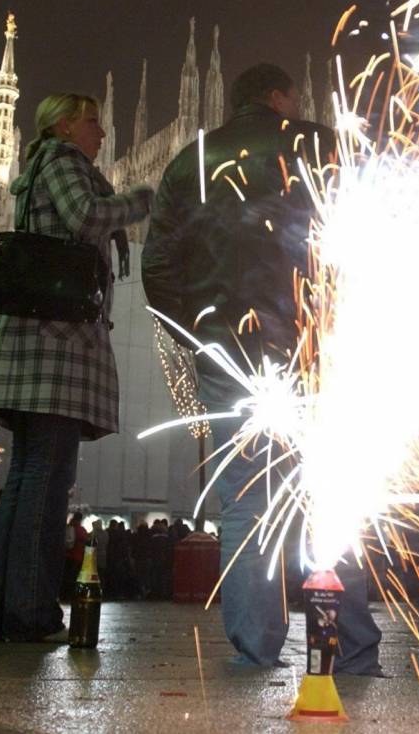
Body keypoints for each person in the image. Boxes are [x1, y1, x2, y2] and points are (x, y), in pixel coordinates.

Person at [143, 64, 382, 674]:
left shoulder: (189, 162)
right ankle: (351, 649)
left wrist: (200, 333)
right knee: (331, 493)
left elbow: (158, 268)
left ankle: (256, 647)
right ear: (280, 99)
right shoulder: (317, 144)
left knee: (248, 502)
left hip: (227, 350)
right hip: (311, 345)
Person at [0, 92, 153, 643]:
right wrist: (141, 200)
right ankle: (30, 612)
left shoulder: (40, 169)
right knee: (47, 486)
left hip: (32, 351)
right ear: (66, 126)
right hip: (54, 353)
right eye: (94, 122)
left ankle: (4, 611)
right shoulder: (62, 161)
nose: (102, 133)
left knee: (27, 481)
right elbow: (87, 216)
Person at [61, 511, 89, 601]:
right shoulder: (81, 530)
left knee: (66, 576)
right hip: (77, 557)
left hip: (67, 555)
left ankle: (64, 594)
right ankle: (71, 595)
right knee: (74, 577)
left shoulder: (69, 527)